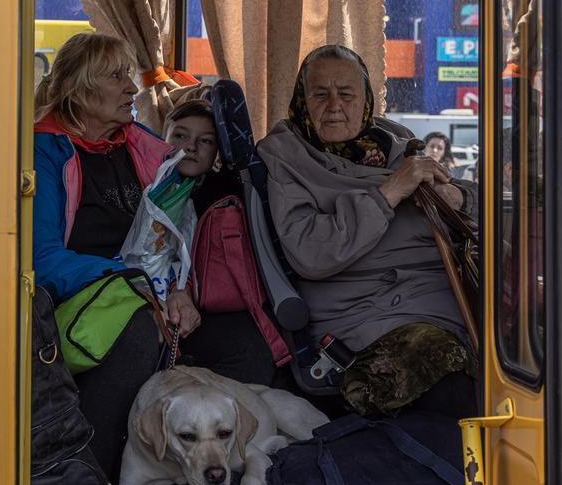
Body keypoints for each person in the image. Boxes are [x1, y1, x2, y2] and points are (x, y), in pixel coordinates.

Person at [256, 44, 479, 419]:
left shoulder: (395, 141)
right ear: (301, 99)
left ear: (366, 100)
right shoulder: (285, 156)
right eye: (319, 94)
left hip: (447, 288)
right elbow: (310, 252)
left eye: (346, 94)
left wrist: (456, 196)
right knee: (459, 382)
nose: (334, 105)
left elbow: (468, 197)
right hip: (371, 311)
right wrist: (389, 193)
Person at [32, 32, 173, 483]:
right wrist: (130, 281)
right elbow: (42, 258)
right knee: (134, 333)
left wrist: (183, 288)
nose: (132, 88)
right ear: (79, 86)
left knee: (233, 334)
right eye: (117, 76)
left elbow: (175, 230)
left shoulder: (140, 144)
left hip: (147, 287)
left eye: (129, 75)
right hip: (75, 298)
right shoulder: (44, 150)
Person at [161, 100, 285, 387]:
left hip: (214, 304)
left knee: (248, 346)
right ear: (162, 137)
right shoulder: (148, 189)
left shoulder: (226, 193)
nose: (190, 147)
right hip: (162, 299)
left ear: (217, 151)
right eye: (180, 136)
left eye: (204, 141)